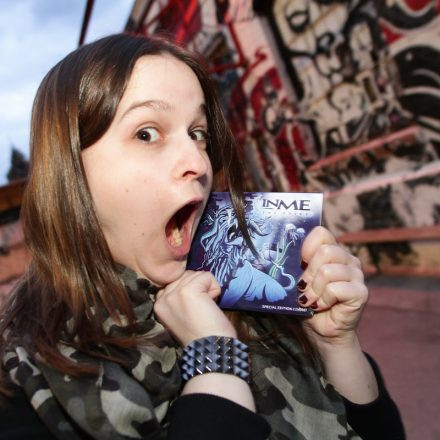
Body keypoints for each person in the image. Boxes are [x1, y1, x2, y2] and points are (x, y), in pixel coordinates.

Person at [0, 33, 404, 439]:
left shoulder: (252, 291)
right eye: (147, 133)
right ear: (69, 171)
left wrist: (335, 345)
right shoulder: (23, 383)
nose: (197, 161)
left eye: (198, 133)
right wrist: (216, 361)